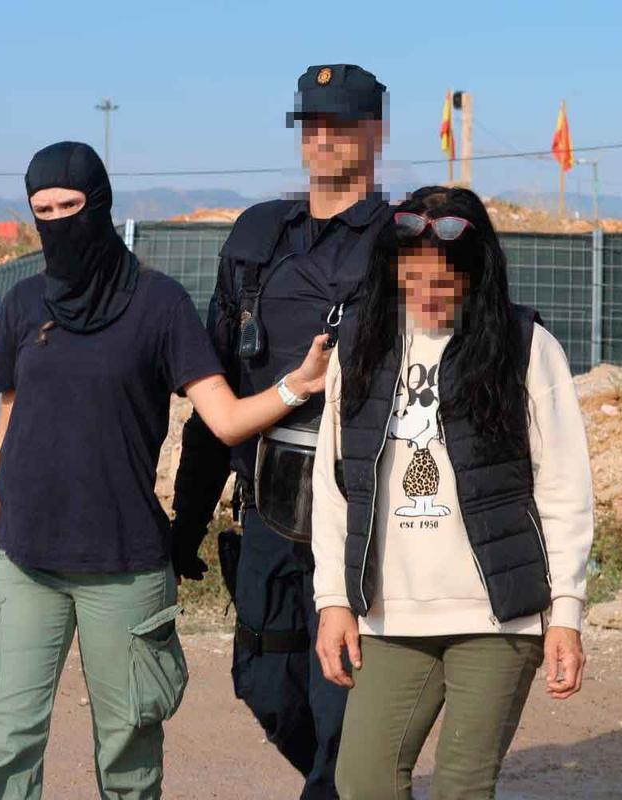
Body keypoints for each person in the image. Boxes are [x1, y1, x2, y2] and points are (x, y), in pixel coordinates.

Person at [0, 141, 331, 800]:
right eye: (43, 210)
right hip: (26, 562)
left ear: (100, 204)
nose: (57, 222)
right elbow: (8, 434)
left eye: (70, 206)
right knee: (8, 744)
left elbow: (225, 420)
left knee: (128, 755)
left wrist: (295, 387)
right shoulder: (22, 305)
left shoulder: (158, 305)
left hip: (124, 567)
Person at [312, 186, 593, 799]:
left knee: (461, 787)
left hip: (498, 614)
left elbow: (564, 488)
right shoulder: (359, 345)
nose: (428, 295)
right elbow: (334, 488)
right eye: (413, 277)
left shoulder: (525, 346)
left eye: (444, 280)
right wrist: (333, 601)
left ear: (475, 273)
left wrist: (566, 614)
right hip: (389, 612)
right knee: (362, 780)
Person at [168, 64, 389, 799]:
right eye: (312, 126)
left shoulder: (401, 243)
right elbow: (216, 390)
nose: (323, 140)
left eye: (341, 126)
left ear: (375, 133)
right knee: (263, 682)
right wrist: (187, 524)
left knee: (341, 700)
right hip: (267, 510)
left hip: (363, 515)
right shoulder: (258, 237)